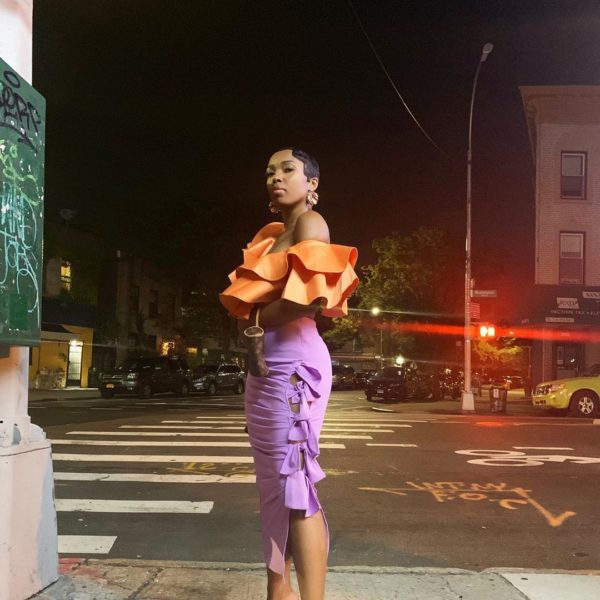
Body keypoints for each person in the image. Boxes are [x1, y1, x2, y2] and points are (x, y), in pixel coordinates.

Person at [220, 148, 358, 600]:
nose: (275, 178)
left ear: (312, 183)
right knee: (273, 489)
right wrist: (252, 332)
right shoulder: (271, 236)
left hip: (296, 366)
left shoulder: (311, 224)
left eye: (287, 170)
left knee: (295, 484)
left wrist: (255, 321)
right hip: (264, 369)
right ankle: (277, 591)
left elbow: (308, 299)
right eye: (269, 172)